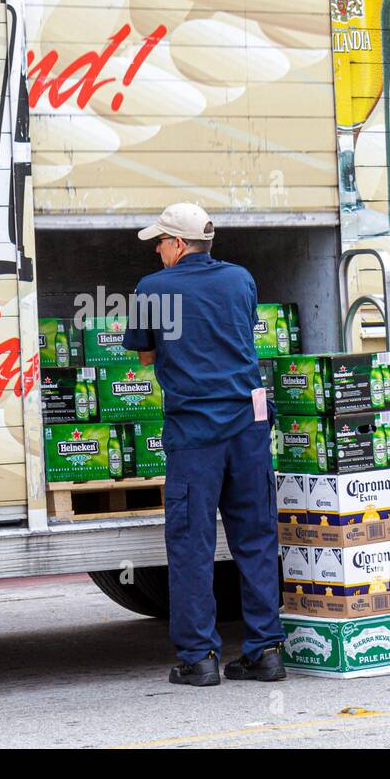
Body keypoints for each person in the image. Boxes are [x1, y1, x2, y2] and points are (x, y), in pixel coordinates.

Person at [121, 202, 286, 686]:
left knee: (192, 543)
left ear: (178, 245)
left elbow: (147, 354)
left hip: (196, 435)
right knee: (255, 537)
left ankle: (199, 659)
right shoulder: (240, 279)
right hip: (248, 425)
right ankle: (266, 653)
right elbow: (239, 333)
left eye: (161, 242)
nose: (156, 250)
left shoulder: (154, 288)